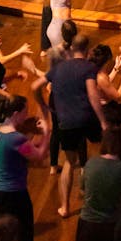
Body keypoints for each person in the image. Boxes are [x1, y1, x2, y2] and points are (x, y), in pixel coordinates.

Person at [0, 95, 49, 241]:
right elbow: (39, 155)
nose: (27, 114)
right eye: (25, 111)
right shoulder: (16, 139)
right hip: (13, 195)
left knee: (5, 237)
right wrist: (47, 133)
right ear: (16, 113)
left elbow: (24, 150)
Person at [45, 33, 104, 218]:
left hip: (66, 122)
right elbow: (93, 94)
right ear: (87, 50)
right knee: (99, 155)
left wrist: (44, 111)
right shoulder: (89, 67)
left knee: (70, 163)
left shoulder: (59, 68)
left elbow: (35, 85)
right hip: (86, 118)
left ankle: (64, 207)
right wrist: (103, 121)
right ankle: (94, 197)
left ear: (72, 48)